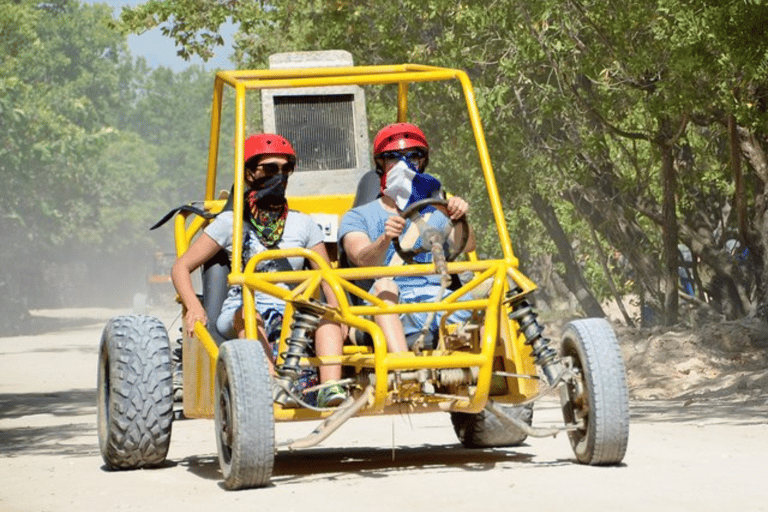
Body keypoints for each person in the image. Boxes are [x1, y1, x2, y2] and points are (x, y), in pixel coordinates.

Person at [171, 133, 347, 407]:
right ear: (250, 173)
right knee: (250, 316)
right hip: (243, 309)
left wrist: (338, 312)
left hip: (291, 309)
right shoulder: (230, 223)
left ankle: (330, 387)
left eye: (286, 168)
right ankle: (272, 387)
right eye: (270, 168)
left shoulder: (303, 224)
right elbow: (181, 267)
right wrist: (194, 306)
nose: (280, 176)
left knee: (327, 318)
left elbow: (327, 278)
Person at [338, 123, 476, 353]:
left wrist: (458, 217)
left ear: (422, 162)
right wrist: (384, 239)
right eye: (393, 157)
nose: (404, 164)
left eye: (413, 156)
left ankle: (507, 368)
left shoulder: (436, 211)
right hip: (389, 307)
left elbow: (467, 245)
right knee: (384, 286)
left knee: (496, 287)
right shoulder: (358, 216)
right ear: (381, 164)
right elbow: (362, 260)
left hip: (438, 299)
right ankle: (404, 369)